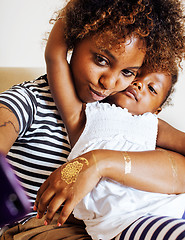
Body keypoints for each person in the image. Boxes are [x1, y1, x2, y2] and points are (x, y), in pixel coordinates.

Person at [1, 0, 185, 239]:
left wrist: (98, 163)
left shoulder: (132, 118)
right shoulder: (43, 105)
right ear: (76, 37)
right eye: (101, 60)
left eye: (128, 72)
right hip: (43, 227)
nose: (108, 83)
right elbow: (54, 54)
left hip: (141, 220)